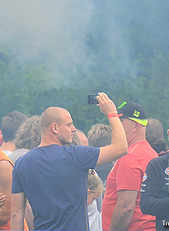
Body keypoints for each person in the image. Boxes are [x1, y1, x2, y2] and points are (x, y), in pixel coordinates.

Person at [10, 93, 127, 231]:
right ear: (54, 128)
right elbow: (121, 148)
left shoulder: (22, 163)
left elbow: (16, 214)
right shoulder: (77, 156)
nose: (73, 129)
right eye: (69, 124)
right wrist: (112, 113)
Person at [102, 101, 157, 231]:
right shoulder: (150, 152)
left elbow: (125, 208)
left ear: (135, 126)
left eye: (120, 122)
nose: (114, 127)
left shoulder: (129, 156)